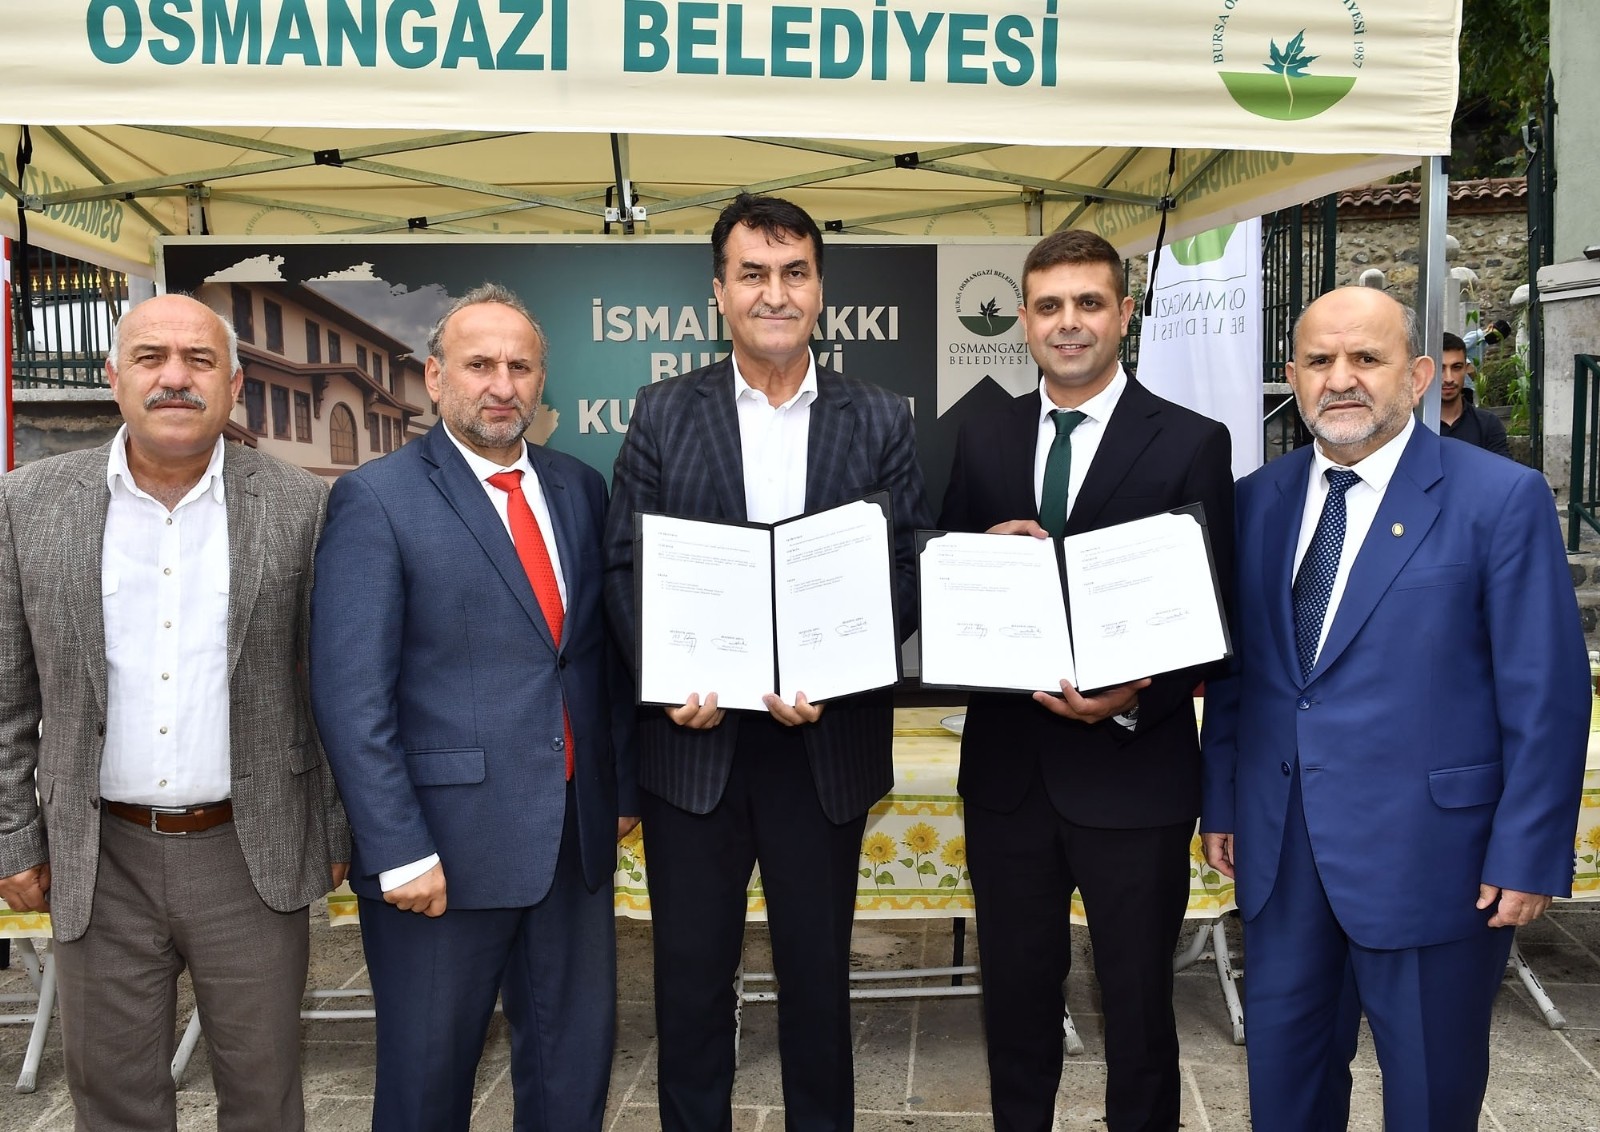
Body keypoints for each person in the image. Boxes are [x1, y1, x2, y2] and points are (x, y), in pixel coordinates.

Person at [1200, 286, 1588, 1131]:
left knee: (1428, 1096)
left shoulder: (1501, 499)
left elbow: (1547, 695)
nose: (1340, 378)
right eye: (1319, 361)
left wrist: (1528, 852)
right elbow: (1243, 673)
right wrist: (1223, 801)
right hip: (1281, 855)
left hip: (1435, 861)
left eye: (1365, 359)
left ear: (1415, 376)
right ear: (1292, 378)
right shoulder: (1255, 500)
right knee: (1286, 1091)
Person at [603, 192, 932, 1131]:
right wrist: (668, 679)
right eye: (752, 274)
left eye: (794, 274)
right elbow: (624, 563)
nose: (774, 294)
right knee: (690, 988)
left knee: (818, 989)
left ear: (820, 290)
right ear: (719, 292)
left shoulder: (881, 417)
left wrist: (840, 671)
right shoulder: (664, 412)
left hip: (823, 748)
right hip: (694, 747)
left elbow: (906, 562)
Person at [0, 293, 348, 1130]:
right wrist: (13, 835)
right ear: (113, 376)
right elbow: (8, 692)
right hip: (97, 856)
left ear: (235, 385)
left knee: (264, 1098)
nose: (175, 378)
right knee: (113, 1098)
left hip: (249, 854)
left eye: (199, 360)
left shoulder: (303, 507)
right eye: (151, 357)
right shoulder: (26, 503)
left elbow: (334, 686)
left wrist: (336, 829)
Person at [309, 284, 637, 1132]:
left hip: (572, 846)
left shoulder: (578, 488)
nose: (502, 385)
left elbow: (596, 656)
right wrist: (398, 850)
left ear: (541, 381)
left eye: (520, 367)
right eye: (480, 364)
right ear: (434, 377)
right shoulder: (377, 498)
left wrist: (619, 791)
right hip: (441, 856)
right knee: (427, 1088)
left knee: (572, 1080)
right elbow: (351, 695)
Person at [938, 229, 1234, 1132]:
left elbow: (1215, 612)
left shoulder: (1191, 441)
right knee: (1015, 1006)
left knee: (1139, 1010)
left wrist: (1138, 690)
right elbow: (941, 576)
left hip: (1136, 778)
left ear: (1124, 314)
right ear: (1025, 320)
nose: (1069, 323)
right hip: (1008, 779)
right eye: (1050, 306)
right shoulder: (980, 433)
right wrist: (971, 556)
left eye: (1089, 303)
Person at [1438, 330, 1511, 457]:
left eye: (1456, 367)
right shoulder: (1408, 425)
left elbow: (1503, 467)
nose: (1449, 378)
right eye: (1440, 368)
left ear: (1466, 369)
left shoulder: (1488, 424)